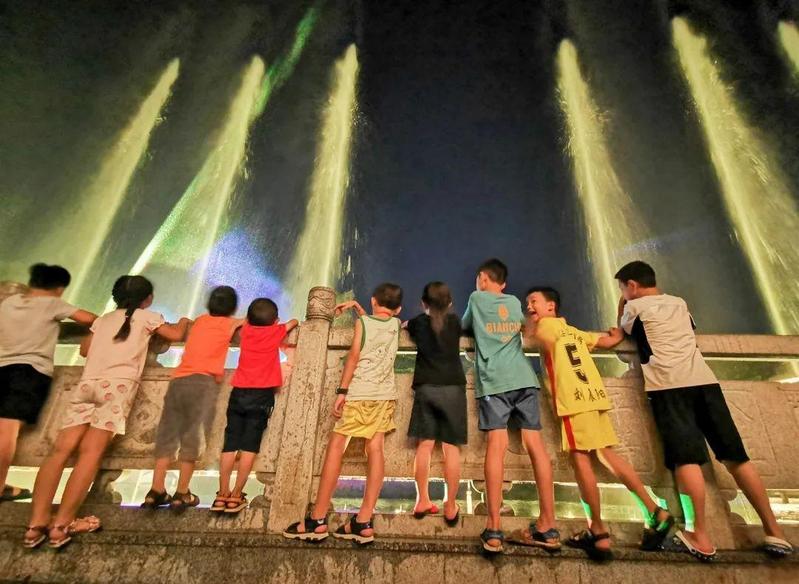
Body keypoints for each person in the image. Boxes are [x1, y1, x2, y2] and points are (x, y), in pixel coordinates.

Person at [616, 260, 793, 560]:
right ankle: (775, 531)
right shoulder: (678, 302)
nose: (623, 294)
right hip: (705, 382)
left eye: (623, 289)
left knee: (686, 458)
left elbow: (623, 339)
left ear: (632, 286)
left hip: (669, 386)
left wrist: (622, 304)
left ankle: (699, 534)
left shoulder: (634, 307)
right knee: (736, 457)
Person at [23, 275, 190, 549]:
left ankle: (35, 525)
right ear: (148, 299)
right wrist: (182, 322)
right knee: (90, 453)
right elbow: (176, 335)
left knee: (60, 451)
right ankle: (62, 524)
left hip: (87, 385)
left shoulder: (104, 320)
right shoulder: (147, 317)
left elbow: (85, 350)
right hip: (117, 388)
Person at [526, 286, 674, 561]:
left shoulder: (546, 326)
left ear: (551, 307)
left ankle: (598, 530)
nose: (529, 307)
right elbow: (608, 341)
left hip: (573, 401)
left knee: (581, 461)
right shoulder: (573, 331)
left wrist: (521, 327)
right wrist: (618, 331)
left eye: (534, 302)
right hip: (594, 397)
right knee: (607, 454)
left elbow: (536, 336)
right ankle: (654, 510)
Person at [283, 283, 402, 545]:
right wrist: (359, 308)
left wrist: (342, 390)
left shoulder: (363, 324)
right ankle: (364, 521)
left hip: (358, 393)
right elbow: (379, 323)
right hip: (384, 397)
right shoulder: (395, 325)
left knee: (336, 447)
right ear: (399, 309)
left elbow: (354, 357)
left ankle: (317, 519)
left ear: (373, 301)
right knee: (376, 450)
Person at [462, 259, 558, 554]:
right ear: (503, 283)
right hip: (525, 379)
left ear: (482, 278)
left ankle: (494, 528)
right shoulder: (515, 301)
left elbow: (464, 326)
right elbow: (524, 328)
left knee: (497, 444)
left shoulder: (477, 298)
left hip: (495, 382)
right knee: (536, 446)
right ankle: (549, 526)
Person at [0, 264, 96, 503]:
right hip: (28, 372)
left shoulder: (9, 302)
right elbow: (92, 319)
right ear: (60, 288)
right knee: (7, 430)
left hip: (2, 367)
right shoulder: (53, 304)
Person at [142, 286, 243, 511]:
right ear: (232, 308)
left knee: (167, 434)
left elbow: (184, 326)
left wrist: (182, 321)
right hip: (203, 383)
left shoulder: (199, 321)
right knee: (191, 436)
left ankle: (155, 490)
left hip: (178, 380)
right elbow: (248, 321)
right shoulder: (230, 324)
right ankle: (182, 492)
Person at [211, 298, 297, 514]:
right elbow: (293, 323)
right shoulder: (275, 331)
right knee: (250, 446)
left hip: (239, 391)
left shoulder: (246, 331)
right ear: (275, 320)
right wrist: (287, 322)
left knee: (230, 444)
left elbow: (241, 323)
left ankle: (222, 493)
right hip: (262, 395)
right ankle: (236, 495)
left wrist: (245, 320)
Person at [406, 282, 466, 526]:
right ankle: (450, 505)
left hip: (426, 387)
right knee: (451, 448)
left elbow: (407, 325)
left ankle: (422, 500)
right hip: (453, 388)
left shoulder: (418, 323)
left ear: (423, 303)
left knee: (425, 446)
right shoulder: (455, 323)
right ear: (450, 303)